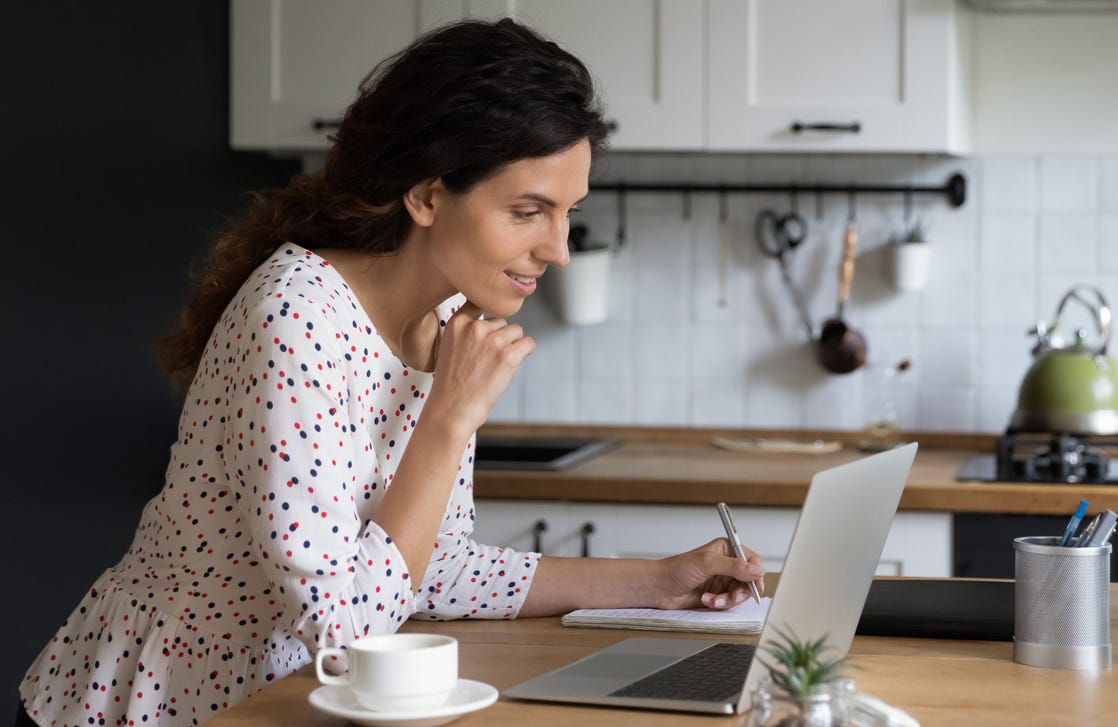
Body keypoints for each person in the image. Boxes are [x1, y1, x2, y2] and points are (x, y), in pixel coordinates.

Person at [16, 18, 763, 727]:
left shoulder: (434, 325)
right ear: (429, 194)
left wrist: (659, 581)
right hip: (153, 708)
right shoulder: (294, 319)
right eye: (529, 211)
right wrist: (448, 418)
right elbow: (344, 625)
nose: (560, 249)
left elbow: (425, 569)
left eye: (568, 212)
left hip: (287, 701)